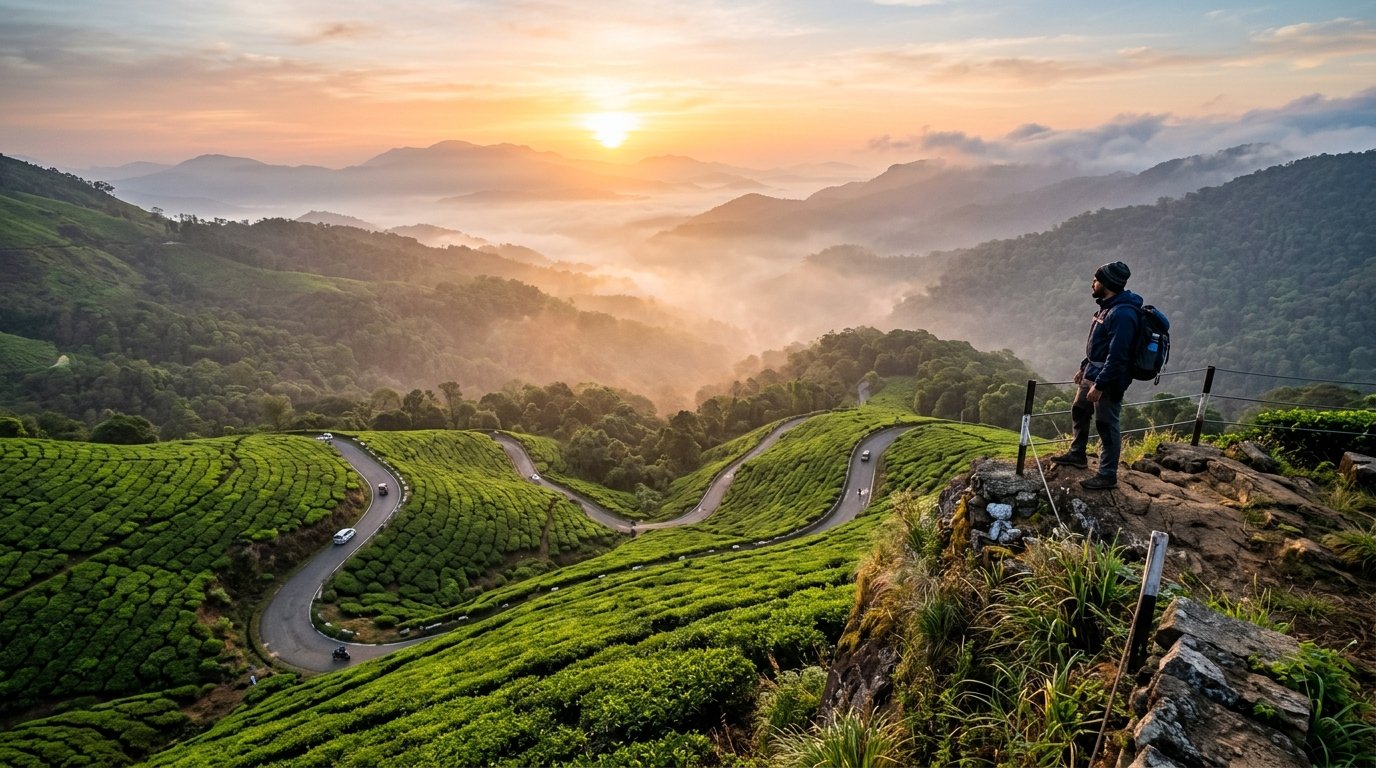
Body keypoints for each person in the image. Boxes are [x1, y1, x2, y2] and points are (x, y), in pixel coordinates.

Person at [1051, 261, 1141, 490]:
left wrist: (1100, 385)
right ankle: (1077, 454)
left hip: (1109, 380)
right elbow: (1098, 345)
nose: (1092, 283)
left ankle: (1107, 474)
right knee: (1079, 410)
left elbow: (1118, 356)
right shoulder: (1107, 307)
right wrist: (1084, 367)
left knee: (1106, 425)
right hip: (1092, 372)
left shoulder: (1123, 314)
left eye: (1096, 280)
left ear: (1107, 283)